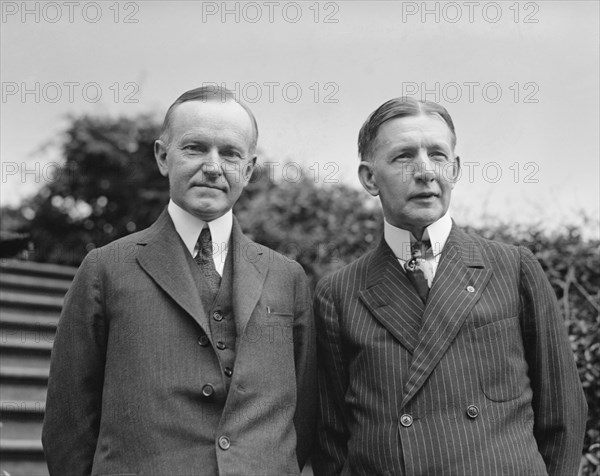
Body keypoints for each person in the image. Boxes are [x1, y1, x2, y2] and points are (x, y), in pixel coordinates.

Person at [42, 86, 316, 475]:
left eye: (231, 153)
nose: (213, 166)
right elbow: (68, 424)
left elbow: (303, 415)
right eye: (195, 148)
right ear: (162, 157)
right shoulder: (105, 268)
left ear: (249, 169)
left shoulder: (287, 276)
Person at [313, 96, 587, 475]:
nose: (425, 171)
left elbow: (564, 413)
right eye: (404, 156)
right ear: (369, 177)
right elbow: (331, 439)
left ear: (454, 169)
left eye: (438, 155)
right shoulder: (338, 293)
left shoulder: (512, 267)